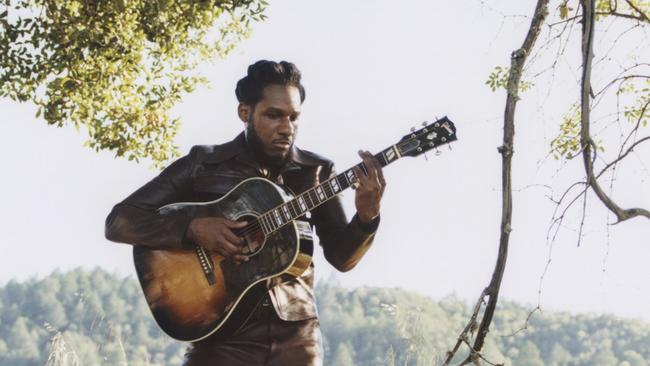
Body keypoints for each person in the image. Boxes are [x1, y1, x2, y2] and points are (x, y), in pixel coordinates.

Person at [105, 60, 386, 365]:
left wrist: (366, 217)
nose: (286, 128)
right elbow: (119, 221)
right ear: (245, 112)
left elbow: (341, 258)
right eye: (274, 115)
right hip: (221, 339)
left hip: (297, 340)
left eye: (293, 117)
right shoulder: (204, 163)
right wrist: (193, 228)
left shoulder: (315, 172)